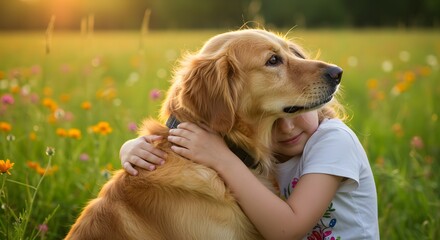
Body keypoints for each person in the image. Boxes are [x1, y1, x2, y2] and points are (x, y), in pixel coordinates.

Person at [120, 102, 380, 239]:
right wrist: (133, 147)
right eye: (271, 120)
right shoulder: (262, 152)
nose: (287, 128)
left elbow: (288, 230)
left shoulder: (333, 141)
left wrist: (222, 159)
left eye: (296, 109)